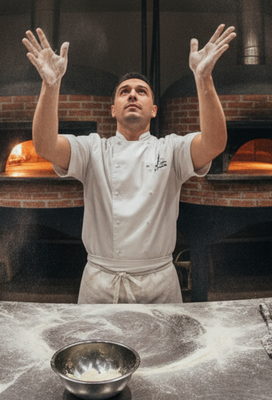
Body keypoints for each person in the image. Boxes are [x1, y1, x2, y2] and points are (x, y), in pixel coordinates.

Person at [23, 24, 236, 304]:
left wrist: (204, 78)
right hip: (100, 284)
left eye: (141, 91)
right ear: (113, 110)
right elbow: (46, 145)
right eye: (124, 91)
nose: (133, 95)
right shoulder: (93, 150)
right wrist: (50, 86)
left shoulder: (170, 149)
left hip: (158, 284)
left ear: (153, 110)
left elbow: (215, 143)